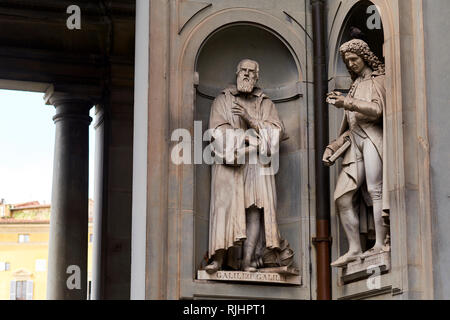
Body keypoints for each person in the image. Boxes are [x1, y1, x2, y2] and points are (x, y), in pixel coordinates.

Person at [205, 59, 285, 273]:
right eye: (244, 71)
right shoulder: (223, 100)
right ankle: (219, 259)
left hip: (258, 165)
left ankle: (248, 260)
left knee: (254, 211)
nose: (247, 75)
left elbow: (275, 134)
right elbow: (217, 131)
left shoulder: (264, 103)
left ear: (257, 77)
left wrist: (249, 118)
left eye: (252, 72)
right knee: (224, 208)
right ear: (237, 72)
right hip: (230, 164)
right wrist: (248, 139)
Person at [323, 39, 390, 268]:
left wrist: (346, 102)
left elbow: (378, 110)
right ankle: (354, 248)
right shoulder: (354, 85)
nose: (351, 64)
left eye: (354, 59)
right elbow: (349, 127)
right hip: (355, 141)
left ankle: (381, 243)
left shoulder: (377, 80)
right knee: (342, 196)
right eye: (347, 61)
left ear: (365, 57)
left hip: (372, 138)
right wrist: (333, 148)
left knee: (375, 189)